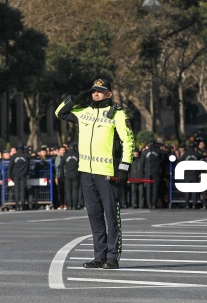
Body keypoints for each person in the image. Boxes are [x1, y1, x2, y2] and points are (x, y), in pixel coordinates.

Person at [55, 78, 135, 270]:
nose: (96, 93)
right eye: (93, 90)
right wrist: (77, 98)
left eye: (100, 90)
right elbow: (60, 112)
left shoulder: (117, 114)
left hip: (107, 173)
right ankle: (99, 256)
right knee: (94, 215)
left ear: (109, 93)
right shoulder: (84, 111)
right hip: (86, 172)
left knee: (111, 216)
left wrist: (124, 167)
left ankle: (112, 257)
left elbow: (129, 141)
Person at [7, 145, 31, 211]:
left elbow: (10, 166)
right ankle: (22, 205)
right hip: (24, 175)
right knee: (22, 190)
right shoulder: (26, 156)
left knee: (17, 190)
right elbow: (31, 159)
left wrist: (10, 176)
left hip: (16, 175)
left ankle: (17, 205)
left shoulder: (14, 157)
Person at [61, 143, 80, 210]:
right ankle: (74, 205)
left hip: (68, 175)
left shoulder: (65, 156)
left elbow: (61, 166)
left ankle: (69, 206)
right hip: (76, 174)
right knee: (75, 190)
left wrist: (62, 175)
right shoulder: (77, 155)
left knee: (68, 190)